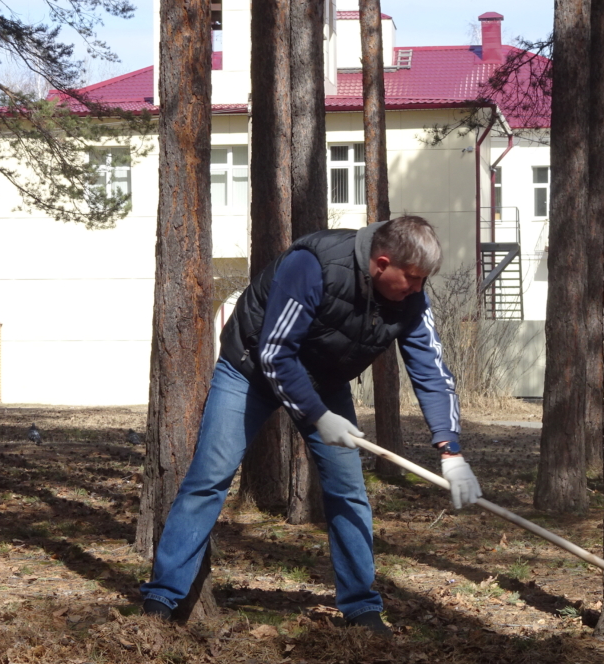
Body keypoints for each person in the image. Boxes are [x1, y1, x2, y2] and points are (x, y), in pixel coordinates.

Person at [139, 216, 482, 637]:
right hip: (250, 369)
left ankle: (361, 609)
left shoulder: (411, 297)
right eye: (410, 278)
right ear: (381, 262)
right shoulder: (314, 264)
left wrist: (451, 450)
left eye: (422, 280)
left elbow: (431, 370)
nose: (416, 288)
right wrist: (319, 417)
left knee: (348, 490)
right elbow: (275, 353)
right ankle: (161, 598)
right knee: (210, 477)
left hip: (324, 380)